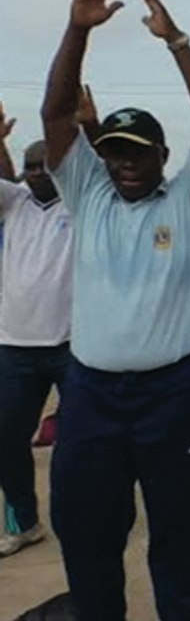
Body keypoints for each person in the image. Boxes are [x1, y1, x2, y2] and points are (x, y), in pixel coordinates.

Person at [41, 0, 190, 621]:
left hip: (172, 395)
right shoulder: (87, 193)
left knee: (184, 535)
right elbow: (57, 113)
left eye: (137, 153)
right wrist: (75, 31)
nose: (124, 163)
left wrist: (176, 42)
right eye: (115, 152)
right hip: (91, 395)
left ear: (159, 156)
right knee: (87, 529)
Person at [0, 113, 74, 558]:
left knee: (83, 440)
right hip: (14, 347)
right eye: (31, 166)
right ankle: (25, 522)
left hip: (71, 345)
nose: (38, 173)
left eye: (46, 165)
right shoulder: (13, 203)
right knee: (6, 438)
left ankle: (85, 518)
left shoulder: (79, 202)